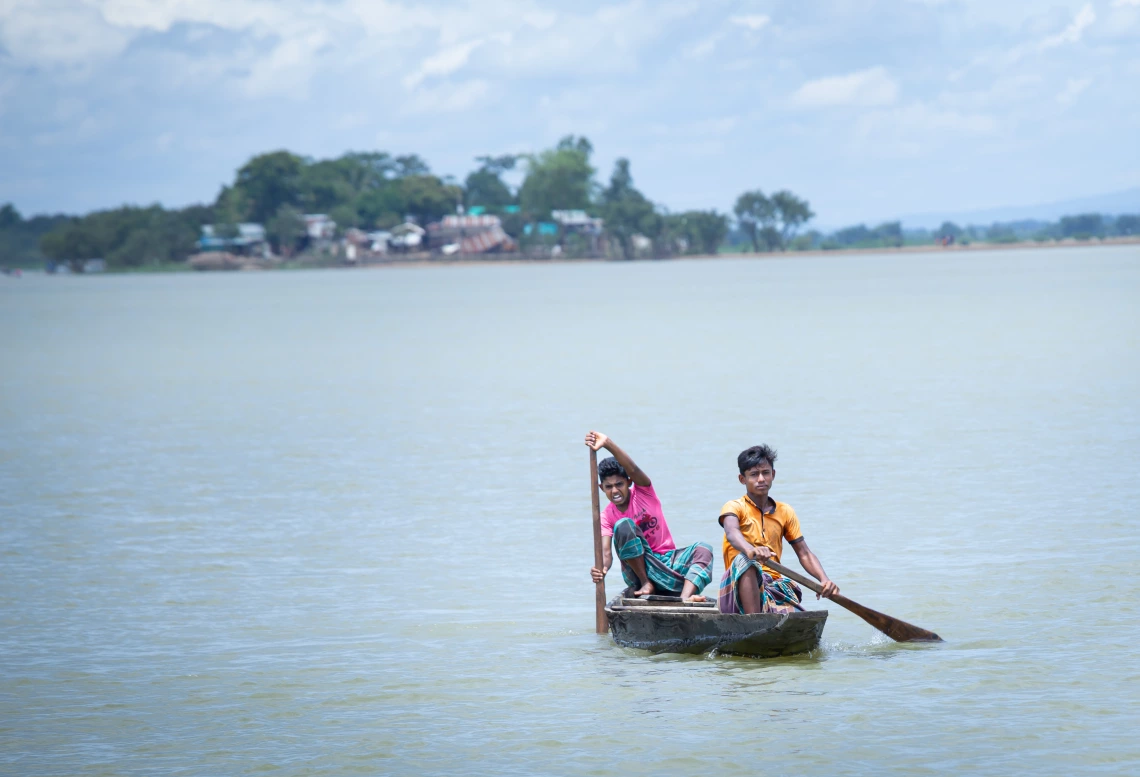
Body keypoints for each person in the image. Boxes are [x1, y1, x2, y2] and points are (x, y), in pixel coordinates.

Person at [586, 431, 713, 601]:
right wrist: (601, 569)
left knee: (704, 549)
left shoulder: (644, 492)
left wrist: (607, 443)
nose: (615, 491)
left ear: (629, 482)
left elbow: (633, 468)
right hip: (638, 573)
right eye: (609, 487)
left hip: (666, 563)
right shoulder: (607, 515)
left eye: (619, 484)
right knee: (624, 525)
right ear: (602, 488)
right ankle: (647, 584)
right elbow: (606, 553)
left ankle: (684, 599)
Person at [718, 445, 840, 614]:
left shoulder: (785, 511)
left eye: (765, 473)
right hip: (737, 589)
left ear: (773, 475)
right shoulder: (734, 507)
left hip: (773, 586)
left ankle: (776, 616)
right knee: (745, 559)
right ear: (742, 479)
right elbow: (732, 533)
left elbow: (804, 553)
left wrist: (824, 580)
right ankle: (754, 623)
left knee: (795, 608)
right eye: (754, 474)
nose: (761, 479)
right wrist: (751, 550)